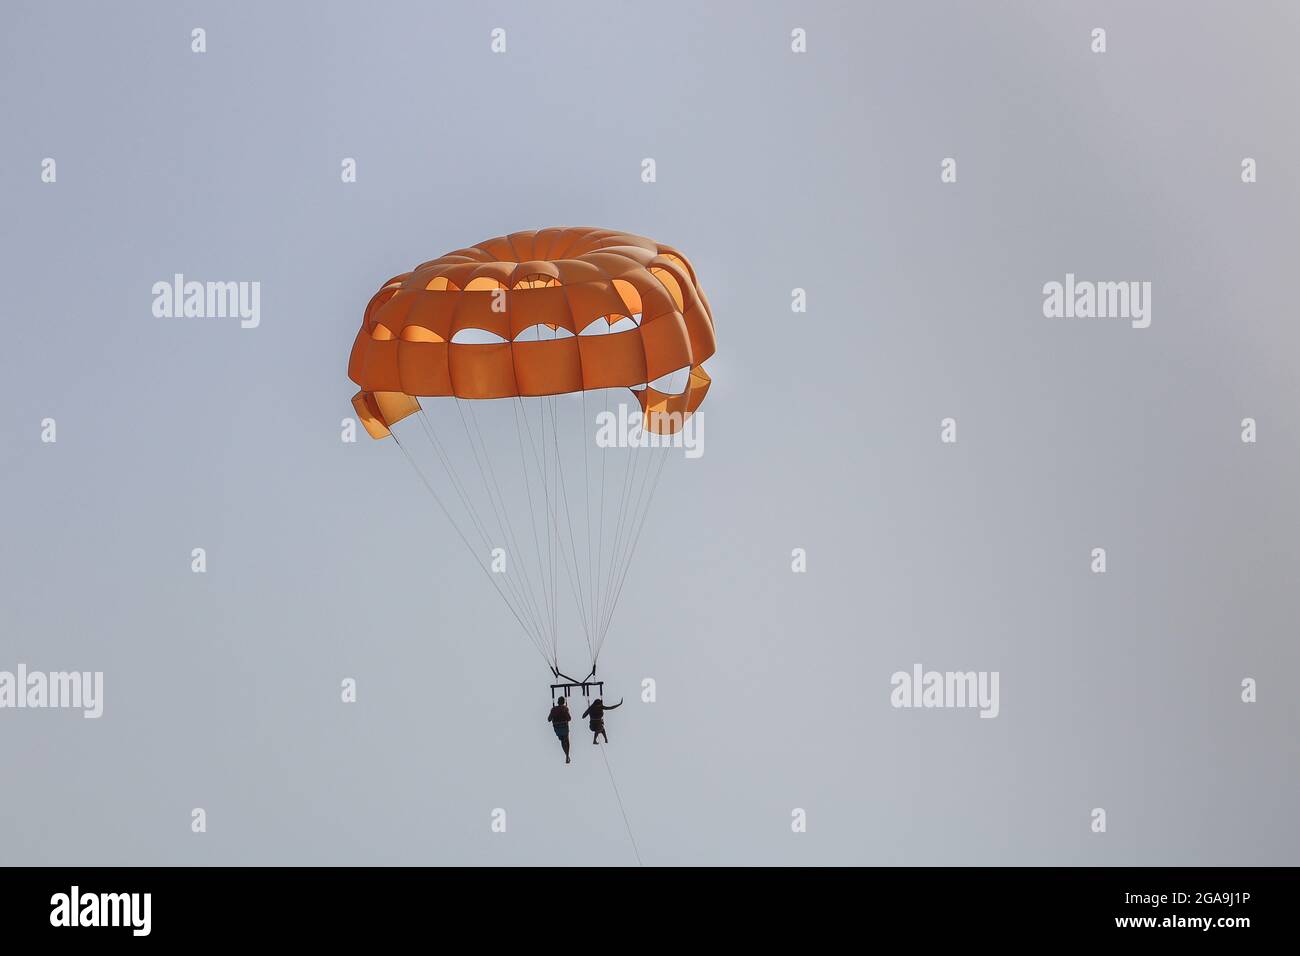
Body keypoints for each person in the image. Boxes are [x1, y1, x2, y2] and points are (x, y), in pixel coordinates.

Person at [547, 696, 572, 763]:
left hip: (557, 728)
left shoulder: (553, 709)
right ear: (563, 702)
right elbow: (569, 719)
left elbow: (549, 719)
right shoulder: (565, 709)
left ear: (558, 702)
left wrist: (553, 716)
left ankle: (567, 755)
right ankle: (567, 755)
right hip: (564, 727)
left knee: (562, 741)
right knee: (566, 739)